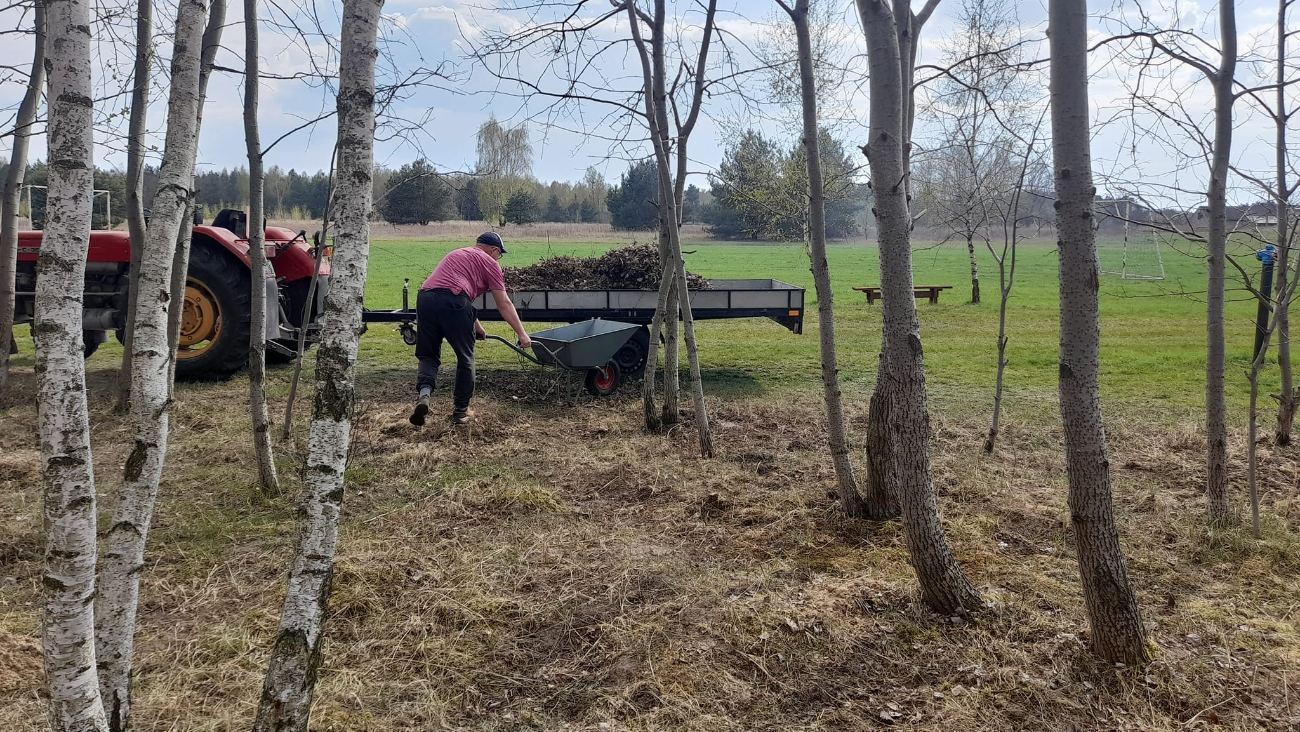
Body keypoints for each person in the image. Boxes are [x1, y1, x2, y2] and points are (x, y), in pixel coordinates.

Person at [411, 232, 531, 426]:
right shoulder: (491, 263)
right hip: (454, 302)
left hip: (425, 298)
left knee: (428, 355)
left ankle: (424, 395)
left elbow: (451, 290)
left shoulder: (457, 253)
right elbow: (503, 303)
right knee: (465, 358)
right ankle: (461, 411)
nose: (498, 258)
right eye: (499, 254)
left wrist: (477, 325)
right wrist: (522, 334)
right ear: (494, 250)